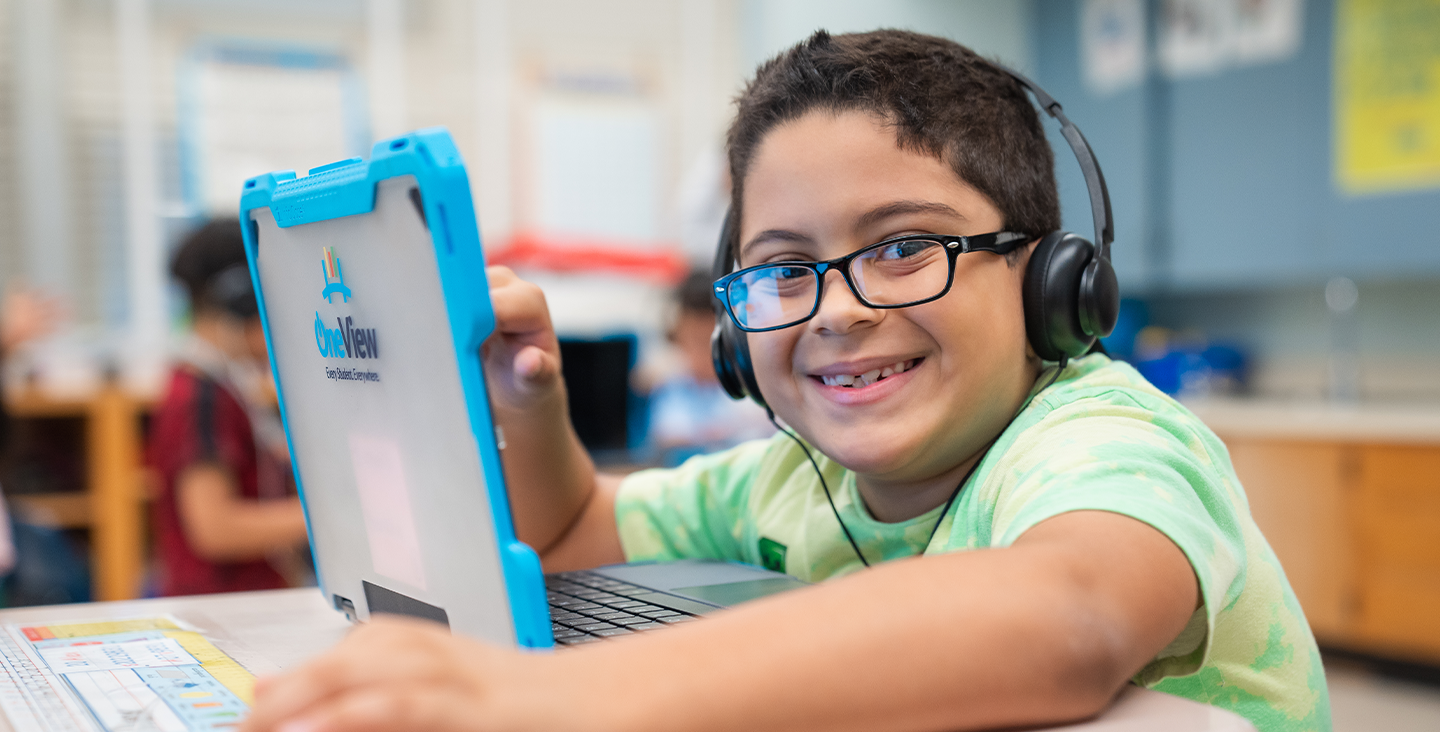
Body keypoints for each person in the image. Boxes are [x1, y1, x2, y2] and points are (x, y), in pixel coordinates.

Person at [241, 31, 1329, 732]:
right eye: (783, 270)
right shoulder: (784, 484)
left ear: (1052, 283)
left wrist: (561, 697)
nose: (840, 308)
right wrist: (528, 401)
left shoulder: (1102, 437)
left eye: (907, 246)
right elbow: (571, 536)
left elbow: (1071, 616)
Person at [147, 219, 309, 596]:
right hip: (223, 607)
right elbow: (215, 529)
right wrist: (338, 519)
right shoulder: (199, 396)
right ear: (243, 301)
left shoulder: (220, 383)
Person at [647, 271, 773, 464]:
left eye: (711, 341)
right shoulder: (673, 387)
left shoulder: (751, 386)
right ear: (678, 338)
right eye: (695, 342)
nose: (704, 354)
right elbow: (669, 434)